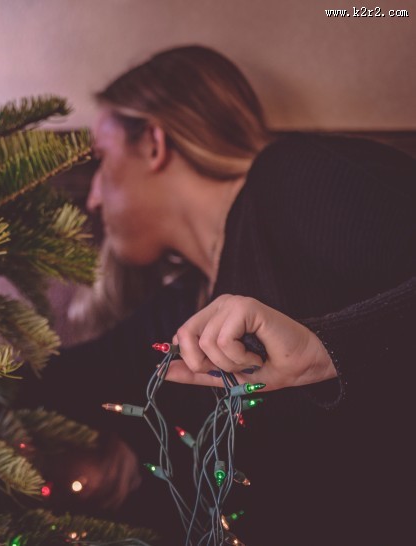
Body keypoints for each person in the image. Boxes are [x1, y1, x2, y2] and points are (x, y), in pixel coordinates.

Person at [23, 45, 416, 546]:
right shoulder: (184, 308)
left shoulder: (294, 179)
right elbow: (57, 381)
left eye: (100, 161)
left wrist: (324, 350)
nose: (93, 196)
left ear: (154, 144)